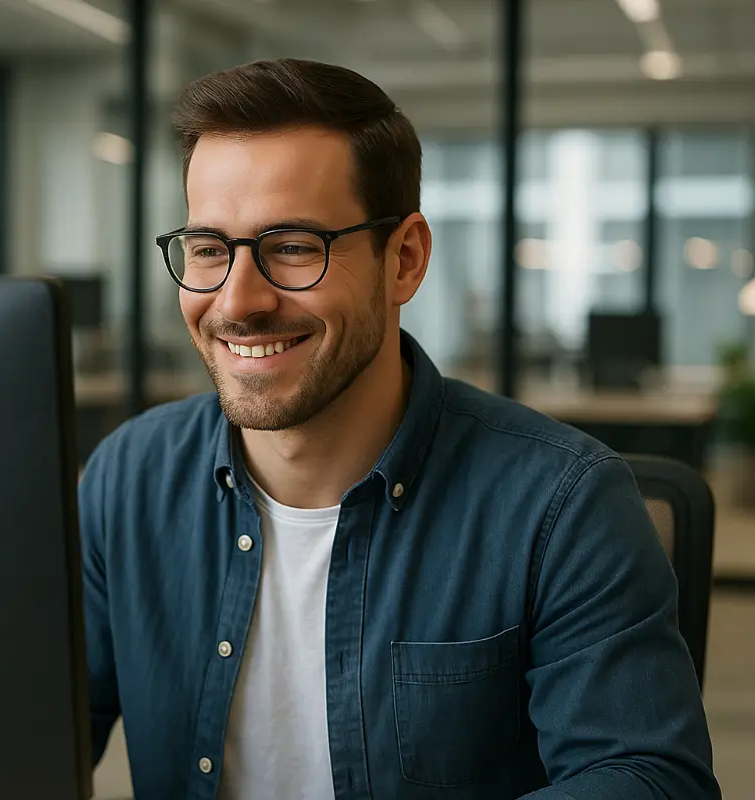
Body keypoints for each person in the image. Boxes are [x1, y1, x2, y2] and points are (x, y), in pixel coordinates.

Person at [77, 58, 719, 799]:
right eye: (210, 250)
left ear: (404, 261)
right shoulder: (126, 477)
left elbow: (648, 778)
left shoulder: (562, 504)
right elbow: (28, 734)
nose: (237, 301)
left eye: (291, 247)